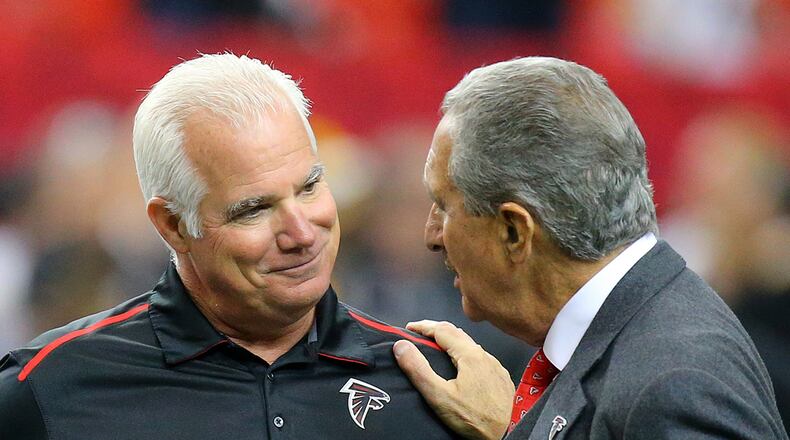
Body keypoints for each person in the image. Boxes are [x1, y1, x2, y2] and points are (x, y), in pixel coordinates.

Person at [0, 53, 460, 439]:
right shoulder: (45, 390)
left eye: (310, 186)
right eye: (254, 209)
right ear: (174, 225)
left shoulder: (434, 384)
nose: (302, 233)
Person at [391, 57, 788, 440]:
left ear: (515, 231)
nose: (432, 235)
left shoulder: (674, 384)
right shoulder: (634, 333)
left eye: (444, 206)